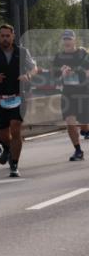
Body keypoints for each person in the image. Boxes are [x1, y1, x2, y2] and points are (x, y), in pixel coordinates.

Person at [0, 24, 39, 177]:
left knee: (15, 127)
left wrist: (28, 75)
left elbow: (34, 68)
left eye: (8, 35)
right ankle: (7, 148)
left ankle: (14, 164)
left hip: (19, 95)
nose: (5, 38)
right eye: (2, 36)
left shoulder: (22, 52)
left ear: (13, 36)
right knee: (3, 133)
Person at [52, 29, 89, 161]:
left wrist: (81, 72)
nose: (67, 41)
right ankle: (78, 150)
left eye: (69, 38)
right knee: (70, 122)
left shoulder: (83, 53)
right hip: (68, 94)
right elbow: (54, 76)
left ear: (74, 40)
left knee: (84, 124)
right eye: (65, 39)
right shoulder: (59, 56)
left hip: (84, 92)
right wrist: (61, 72)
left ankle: (85, 129)